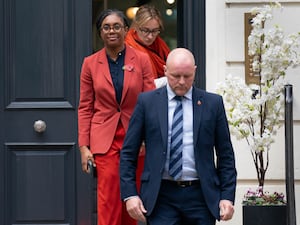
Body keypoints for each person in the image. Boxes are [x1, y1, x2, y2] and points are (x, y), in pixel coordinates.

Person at [120, 48, 237, 225]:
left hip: (201, 196)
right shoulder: (147, 102)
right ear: (165, 71)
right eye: (175, 76)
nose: (181, 82)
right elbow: (128, 153)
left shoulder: (213, 104)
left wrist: (227, 196)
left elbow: (225, 154)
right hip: (161, 196)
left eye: (187, 76)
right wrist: (130, 194)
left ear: (195, 71)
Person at [77, 8, 155, 225]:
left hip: (135, 138)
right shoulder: (90, 64)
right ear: (100, 33)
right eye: (106, 27)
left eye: (116, 26)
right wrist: (84, 146)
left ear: (126, 30)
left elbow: (150, 103)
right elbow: (85, 107)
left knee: (131, 201)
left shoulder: (141, 60)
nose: (112, 31)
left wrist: (147, 138)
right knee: (108, 200)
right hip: (105, 140)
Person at [125, 5, 170, 80]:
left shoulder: (160, 44)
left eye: (155, 31)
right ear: (136, 26)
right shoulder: (127, 47)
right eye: (145, 30)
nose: (150, 36)